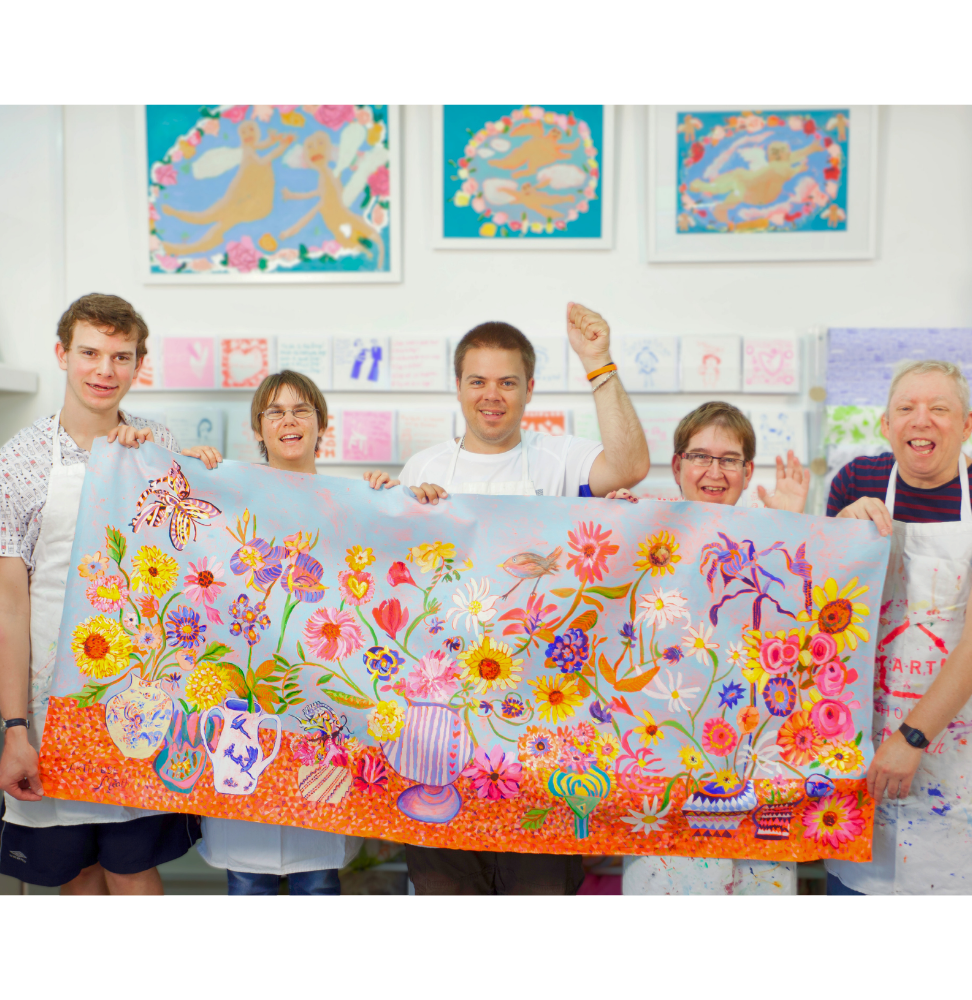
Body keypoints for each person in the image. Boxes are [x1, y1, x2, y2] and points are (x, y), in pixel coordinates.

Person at [364, 302, 650, 894]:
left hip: (539, 733)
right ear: (458, 387)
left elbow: (630, 465)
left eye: (507, 382)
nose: (491, 396)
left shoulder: (559, 459)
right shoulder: (425, 465)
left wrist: (598, 362)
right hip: (442, 735)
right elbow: (397, 589)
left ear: (530, 389)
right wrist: (388, 501)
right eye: (478, 381)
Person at [0, 293, 217, 894]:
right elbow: (10, 607)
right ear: (62, 354)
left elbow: (194, 569)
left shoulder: (159, 444)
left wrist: (202, 472)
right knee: (75, 871)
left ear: (139, 364)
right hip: (51, 705)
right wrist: (15, 729)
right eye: (90, 353)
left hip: (141, 698)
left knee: (133, 863)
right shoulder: (17, 463)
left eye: (121, 357)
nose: (104, 370)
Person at [609, 401, 811, 895]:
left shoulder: (773, 535)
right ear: (678, 465)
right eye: (700, 456)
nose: (714, 471)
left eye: (729, 459)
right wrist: (613, 522)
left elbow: (807, 630)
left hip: (756, 759)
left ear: (748, 472)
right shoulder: (646, 531)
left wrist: (794, 528)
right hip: (666, 760)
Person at [823, 359, 972, 895]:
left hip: (958, 737)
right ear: (886, 423)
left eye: (939, 408)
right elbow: (822, 614)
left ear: (967, 424)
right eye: (906, 408)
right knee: (859, 891)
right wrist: (839, 532)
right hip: (862, 735)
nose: (921, 420)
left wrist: (912, 736)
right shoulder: (857, 482)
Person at [197, 370, 362, 895]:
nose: (289, 421)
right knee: (249, 879)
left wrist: (404, 499)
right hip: (250, 706)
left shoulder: (354, 502)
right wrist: (185, 467)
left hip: (320, 706)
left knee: (318, 880)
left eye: (301, 410)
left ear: (322, 424)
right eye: (275, 412)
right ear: (258, 429)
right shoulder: (228, 496)